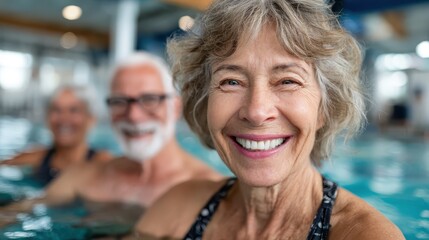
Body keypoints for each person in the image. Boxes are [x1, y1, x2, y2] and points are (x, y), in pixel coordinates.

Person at [135, 0, 405, 239]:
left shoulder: (362, 234)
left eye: (288, 81)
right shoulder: (175, 211)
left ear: (325, 106)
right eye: (231, 81)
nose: (256, 111)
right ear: (204, 102)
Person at [43, 52, 222, 206]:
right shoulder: (84, 176)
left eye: (150, 99)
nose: (134, 116)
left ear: (175, 108)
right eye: (120, 102)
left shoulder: (211, 192)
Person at [0, 84, 112, 185]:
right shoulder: (35, 159)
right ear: (47, 117)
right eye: (56, 110)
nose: (63, 118)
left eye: (73, 110)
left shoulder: (104, 164)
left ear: (91, 119)